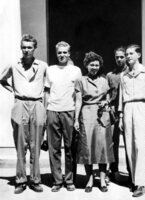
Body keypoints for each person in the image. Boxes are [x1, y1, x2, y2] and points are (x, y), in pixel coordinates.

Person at [0, 34, 47, 194]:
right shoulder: (14, 65)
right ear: (21, 48)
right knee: (21, 145)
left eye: (29, 47)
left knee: (36, 145)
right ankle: (20, 180)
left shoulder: (43, 66)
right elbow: (2, 79)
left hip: (37, 104)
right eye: (24, 47)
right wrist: (13, 91)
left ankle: (35, 180)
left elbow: (47, 87)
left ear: (35, 48)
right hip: (20, 104)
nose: (26, 50)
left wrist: (44, 107)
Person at [74, 51, 114, 193]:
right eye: (92, 65)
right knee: (88, 148)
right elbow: (78, 101)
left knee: (103, 148)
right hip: (86, 114)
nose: (94, 67)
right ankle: (89, 179)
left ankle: (102, 180)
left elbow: (108, 97)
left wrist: (106, 102)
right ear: (86, 65)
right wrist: (76, 119)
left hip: (103, 115)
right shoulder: (80, 81)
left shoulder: (104, 80)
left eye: (97, 65)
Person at [45, 41, 82, 192]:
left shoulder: (76, 70)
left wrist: (77, 117)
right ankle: (57, 180)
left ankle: (70, 179)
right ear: (56, 53)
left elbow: (79, 95)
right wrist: (46, 111)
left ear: (69, 53)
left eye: (65, 52)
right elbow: (46, 92)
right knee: (53, 148)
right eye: (59, 52)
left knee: (70, 147)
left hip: (69, 111)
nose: (62, 55)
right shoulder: (50, 70)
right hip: (53, 110)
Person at [118, 44, 145, 197]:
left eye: (131, 53)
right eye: (127, 54)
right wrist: (120, 116)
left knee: (140, 145)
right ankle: (134, 179)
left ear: (139, 55)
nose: (128, 56)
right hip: (127, 108)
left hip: (141, 107)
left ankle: (141, 183)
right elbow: (120, 97)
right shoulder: (123, 75)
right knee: (130, 145)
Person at [106, 46, 130, 182]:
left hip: (128, 109)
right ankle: (113, 170)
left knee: (129, 142)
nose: (119, 59)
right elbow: (108, 94)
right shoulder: (111, 75)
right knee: (113, 142)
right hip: (114, 112)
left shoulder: (131, 73)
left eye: (122, 57)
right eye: (117, 57)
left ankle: (130, 171)